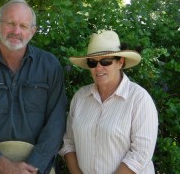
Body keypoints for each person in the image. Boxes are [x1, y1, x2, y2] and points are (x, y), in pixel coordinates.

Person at [0, 0, 67, 174]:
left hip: (37, 167)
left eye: (23, 26)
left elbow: (57, 122)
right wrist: (5, 166)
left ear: (32, 31)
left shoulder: (49, 66)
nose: (16, 31)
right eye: (10, 23)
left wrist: (32, 166)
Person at [59, 30, 158, 174]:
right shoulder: (80, 97)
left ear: (120, 62)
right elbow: (68, 144)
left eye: (106, 61)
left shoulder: (139, 99)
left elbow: (140, 154)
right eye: (92, 62)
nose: (99, 68)